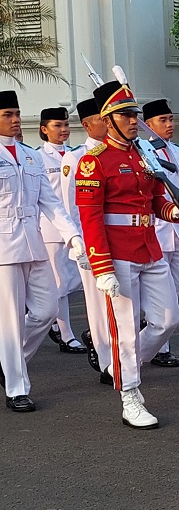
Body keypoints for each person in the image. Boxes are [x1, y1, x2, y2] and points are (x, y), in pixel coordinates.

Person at [75, 80, 179, 428]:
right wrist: (102, 266)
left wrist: (175, 211)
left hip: (149, 245)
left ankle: (122, 365)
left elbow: (155, 199)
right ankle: (129, 394)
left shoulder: (143, 153)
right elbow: (90, 217)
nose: (133, 120)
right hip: (118, 251)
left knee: (168, 319)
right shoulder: (93, 162)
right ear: (107, 119)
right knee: (125, 328)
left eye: (135, 114)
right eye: (126, 115)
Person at [0, 91, 87, 412]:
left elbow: (50, 203)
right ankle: (16, 387)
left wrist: (72, 236)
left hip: (33, 242)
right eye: (8, 114)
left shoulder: (31, 156)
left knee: (47, 310)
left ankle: (10, 361)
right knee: (9, 320)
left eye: (17, 113)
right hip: (3, 247)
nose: (15, 119)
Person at [142, 99, 179, 368]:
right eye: (163, 120)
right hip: (158, 228)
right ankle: (161, 347)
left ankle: (151, 318)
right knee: (163, 287)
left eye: (171, 119)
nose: (170, 124)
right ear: (147, 124)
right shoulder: (143, 153)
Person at [61, 99, 112, 381]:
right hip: (90, 241)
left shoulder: (121, 153)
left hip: (118, 238)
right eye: (101, 119)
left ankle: (120, 354)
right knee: (97, 305)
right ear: (86, 125)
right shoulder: (76, 157)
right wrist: (78, 242)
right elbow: (70, 207)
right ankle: (107, 363)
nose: (107, 123)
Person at [38, 106, 86, 353]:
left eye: (66, 125)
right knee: (60, 283)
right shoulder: (39, 157)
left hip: (76, 226)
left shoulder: (76, 155)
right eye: (57, 126)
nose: (64, 130)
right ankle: (66, 334)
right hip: (51, 230)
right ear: (44, 129)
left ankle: (56, 324)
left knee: (75, 281)